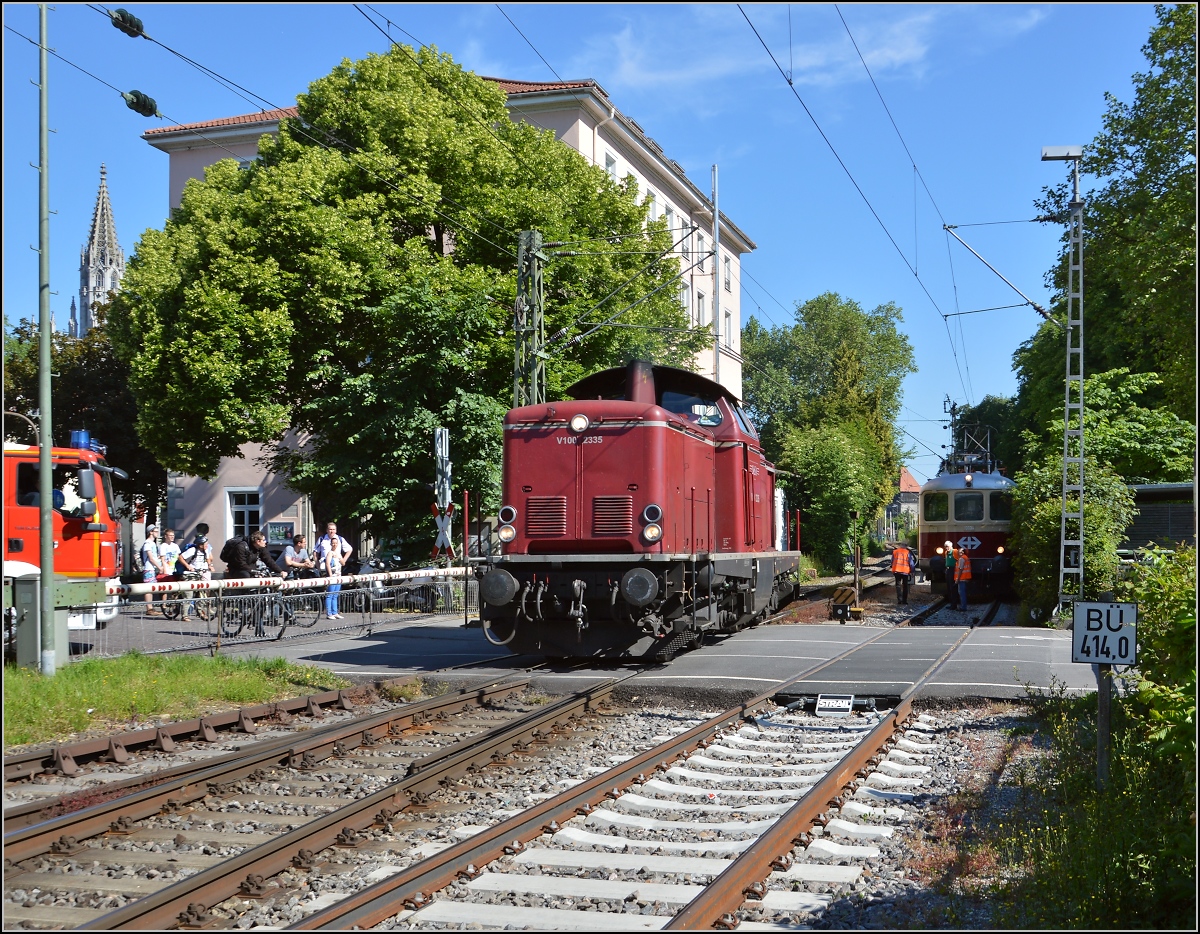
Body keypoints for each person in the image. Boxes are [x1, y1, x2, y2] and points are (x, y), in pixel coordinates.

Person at [179, 534, 212, 621]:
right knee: (189, 594)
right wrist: (188, 566)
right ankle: (184, 615)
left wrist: (210, 565)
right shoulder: (192, 550)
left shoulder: (206, 551)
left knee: (202, 594)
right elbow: (181, 557)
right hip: (190, 575)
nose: (207, 545)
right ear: (200, 545)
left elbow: (208, 559)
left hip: (199, 574)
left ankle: (200, 612)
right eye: (206, 543)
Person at [319, 528, 349, 619]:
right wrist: (330, 576)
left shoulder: (338, 553)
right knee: (330, 594)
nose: (334, 545)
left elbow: (343, 563)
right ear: (331, 544)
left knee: (335, 594)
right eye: (333, 543)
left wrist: (340, 558)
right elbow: (328, 564)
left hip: (338, 576)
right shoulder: (330, 553)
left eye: (336, 543)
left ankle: (335, 612)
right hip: (332, 576)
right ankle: (329, 613)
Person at [140, 525, 165, 615]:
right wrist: (159, 567)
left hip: (152, 569)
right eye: (155, 531)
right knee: (148, 589)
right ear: (150, 532)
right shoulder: (147, 544)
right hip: (148, 569)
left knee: (151, 589)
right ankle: (149, 609)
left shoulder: (153, 544)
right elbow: (151, 558)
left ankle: (151, 608)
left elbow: (154, 557)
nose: (157, 533)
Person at [890, 541, 913, 606]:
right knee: (905, 585)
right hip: (905, 571)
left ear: (900, 545)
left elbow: (892, 561)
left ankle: (899, 600)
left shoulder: (895, 552)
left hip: (896, 570)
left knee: (898, 585)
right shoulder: (907, 552)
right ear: (906, 546)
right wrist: (912, 571)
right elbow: (911, 563)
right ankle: (904, 601)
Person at [954, 543, 973, 612]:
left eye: (958, 552)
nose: (957, 553)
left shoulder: (961, 559)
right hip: (965, 578)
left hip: (962, 578)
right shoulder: (966, 558)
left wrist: (957, 579)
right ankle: (963, 606)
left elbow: (960, 569)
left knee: (962, 593)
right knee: (963, 592)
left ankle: (963, 607)